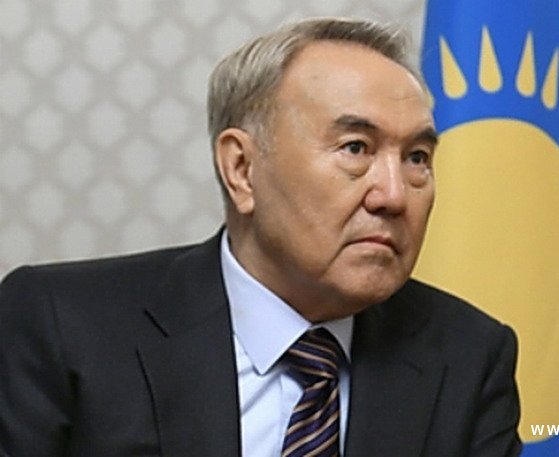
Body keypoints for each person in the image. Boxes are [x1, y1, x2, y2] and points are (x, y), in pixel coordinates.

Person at [0, 17, 521, 457]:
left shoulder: (469, 356)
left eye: (417, 158)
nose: (393, 195)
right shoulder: (62, 327)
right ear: (242, 169)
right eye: (356, 148)